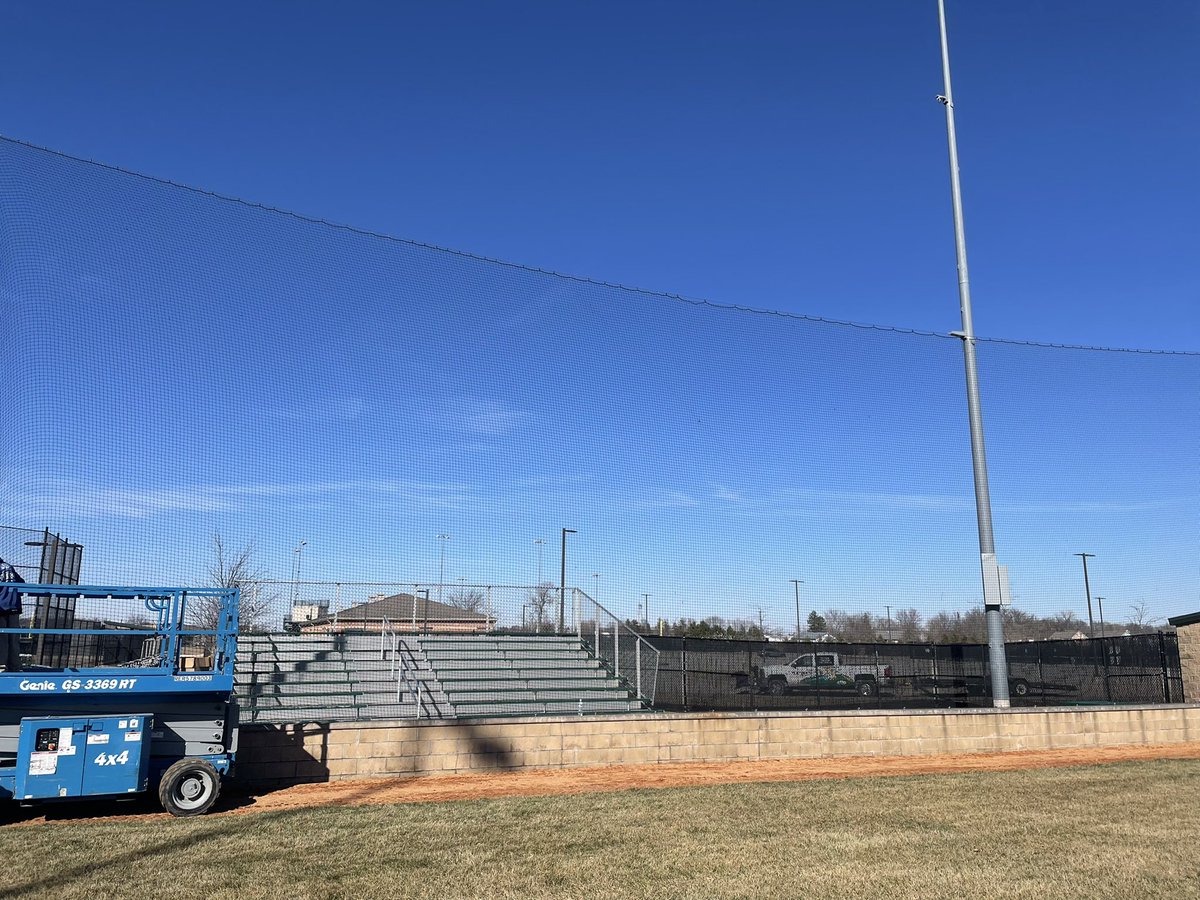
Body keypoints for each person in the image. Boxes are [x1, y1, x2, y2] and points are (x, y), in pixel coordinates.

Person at [0, 557, 25, 672]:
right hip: (14, 606)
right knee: (14, 638)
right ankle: (15, 665)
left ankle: (2, 665)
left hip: (1, 607)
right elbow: (21, 583)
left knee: (2, 638)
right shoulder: (8, 566)